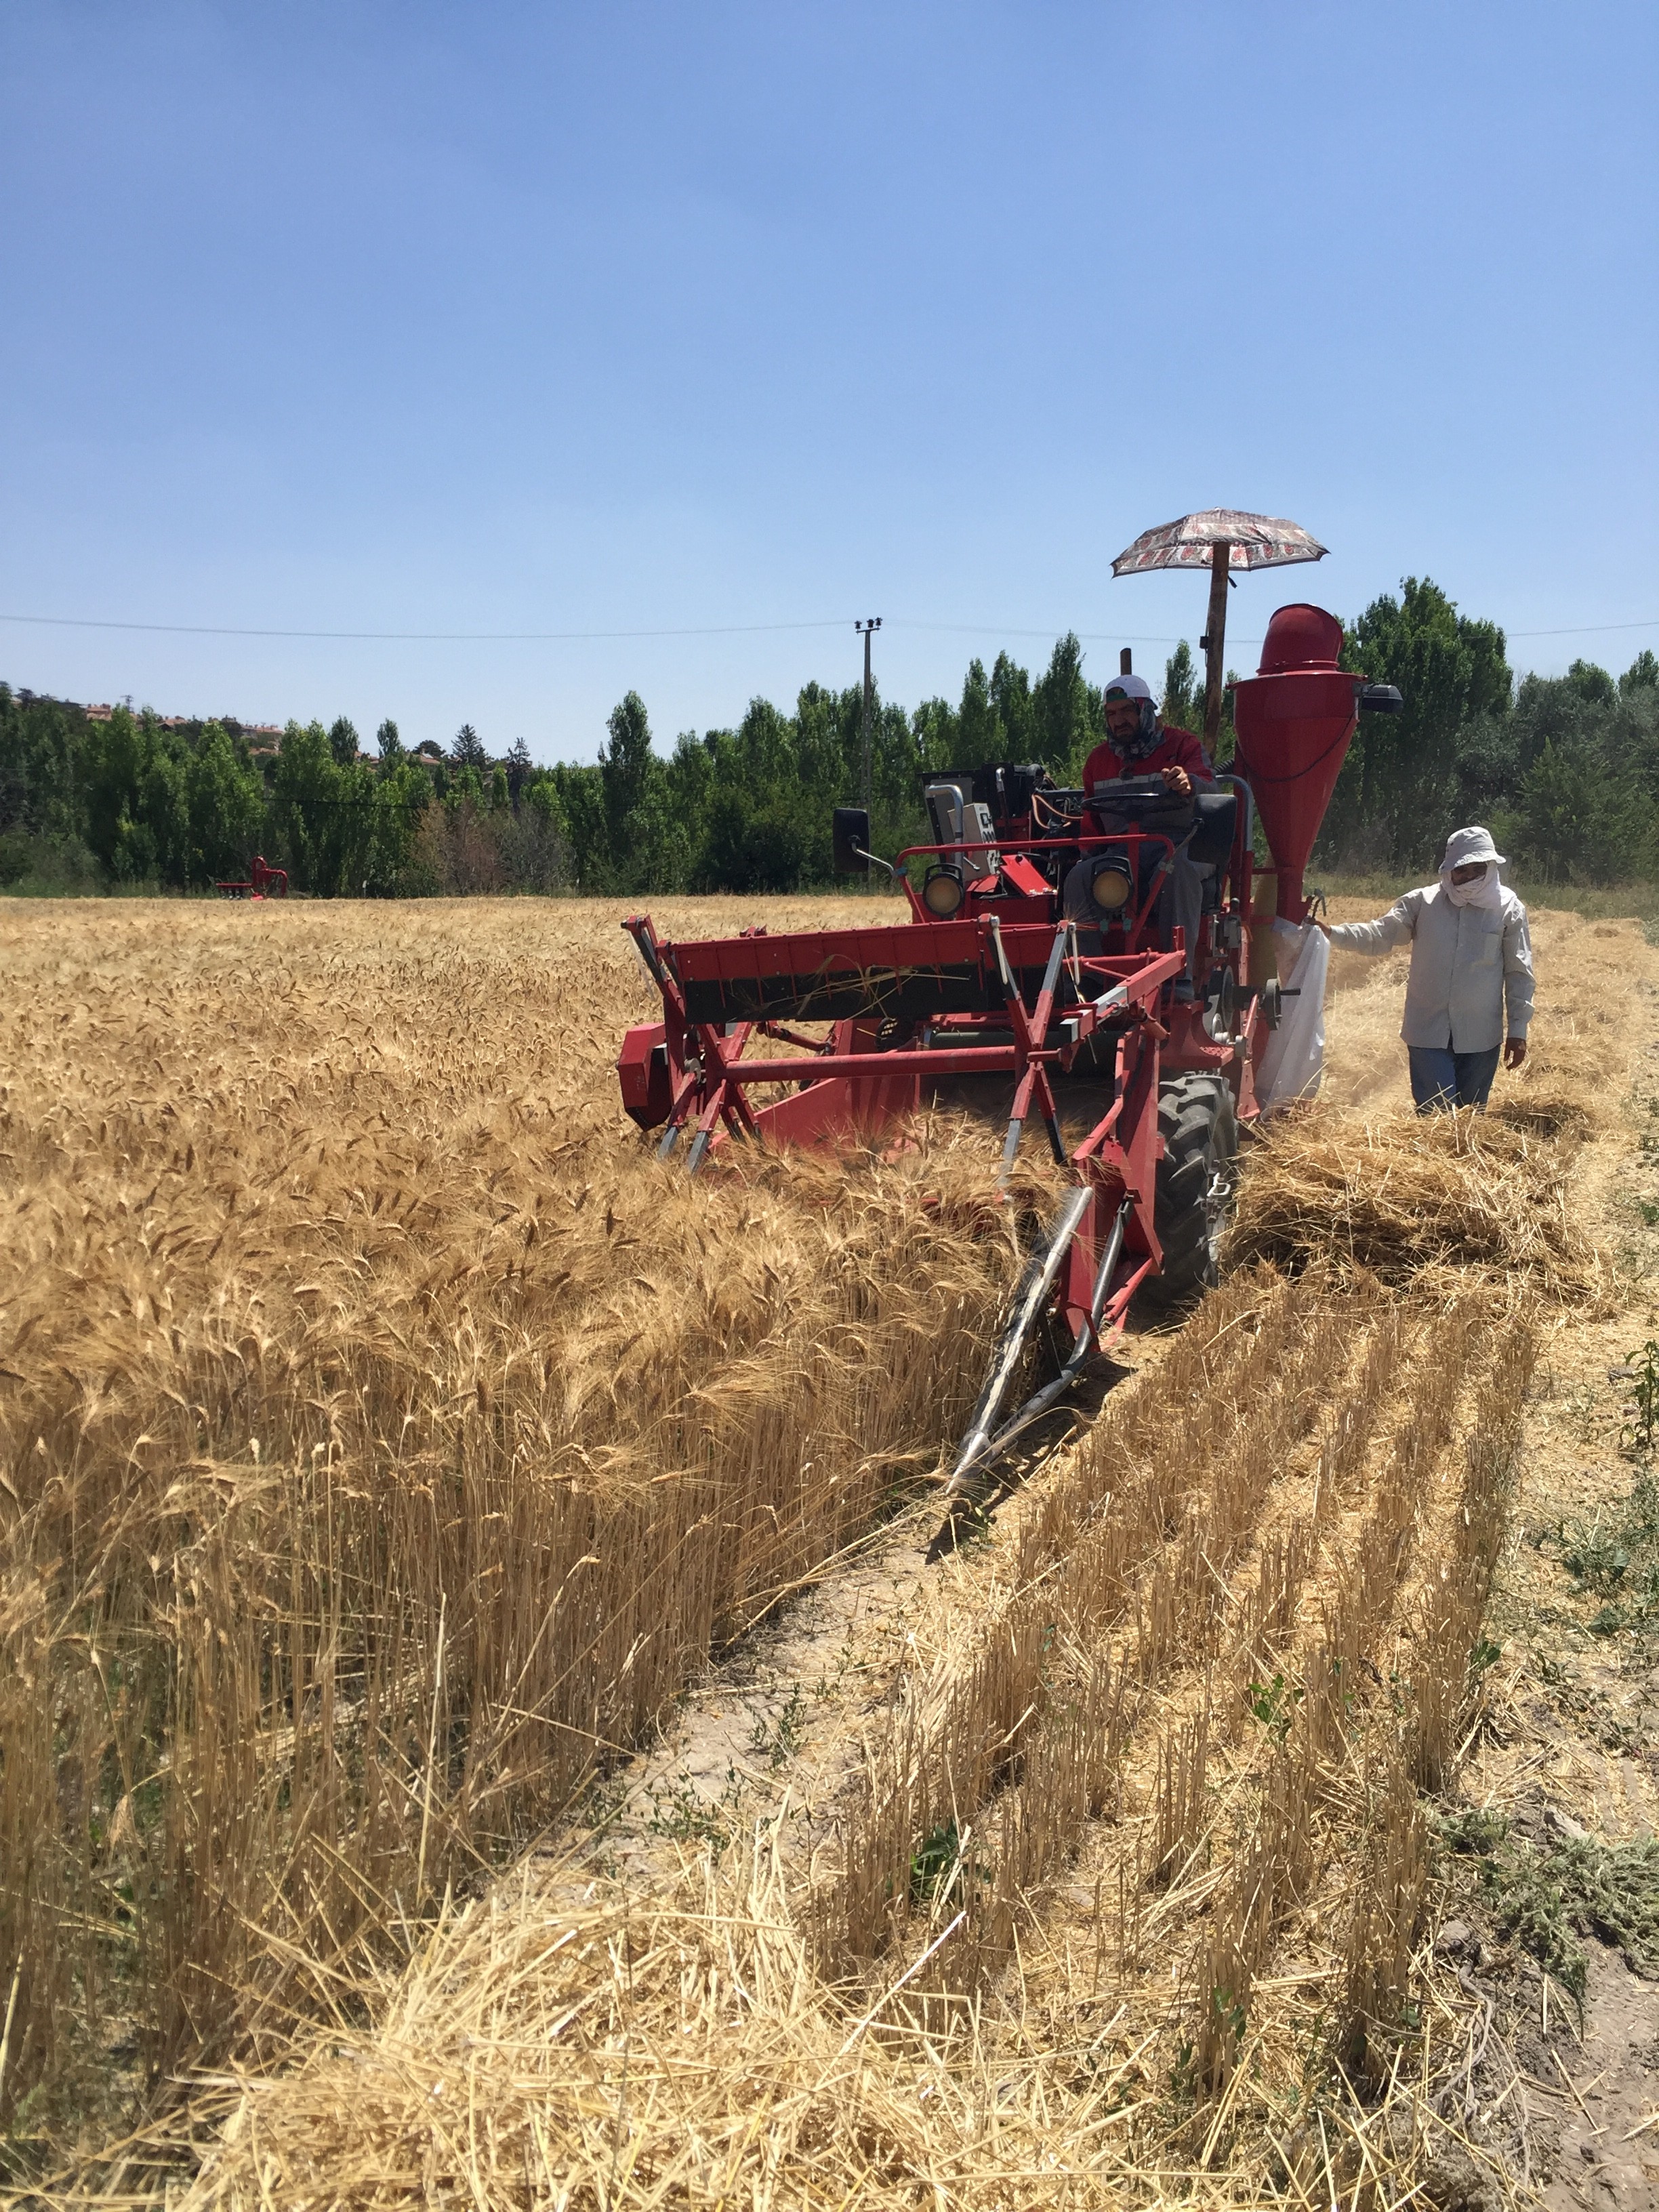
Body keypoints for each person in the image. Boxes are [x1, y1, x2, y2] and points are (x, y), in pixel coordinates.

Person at [1319, 825, 1533, 1112]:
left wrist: (1518, 1030)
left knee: (1471, 1118)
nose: (1468, 878)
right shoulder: (1423, 903)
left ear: (1491, 867)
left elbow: (1519, 972)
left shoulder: (1508, 909)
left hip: (1481, 1035)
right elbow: (1381, 934)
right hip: (1427, 1030)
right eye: (1461, 870)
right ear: (1449, 870)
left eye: (1477, 869)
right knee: (1437, 1115)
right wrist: (1332, 933)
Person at [1063, 672, 1214, 993]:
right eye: (1111, 714)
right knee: (1078, 877)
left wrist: (1189, 784)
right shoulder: (1098, 761)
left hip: (1179, 844)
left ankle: (1179, 975)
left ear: (1147, 710)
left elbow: (1209, 787)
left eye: (1127, 711)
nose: (1119, 721)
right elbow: (1092, 827)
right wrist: (1090, 862)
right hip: (1122, 850)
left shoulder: (1182, 746)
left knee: (1176, 870)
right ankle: (1087, 979)